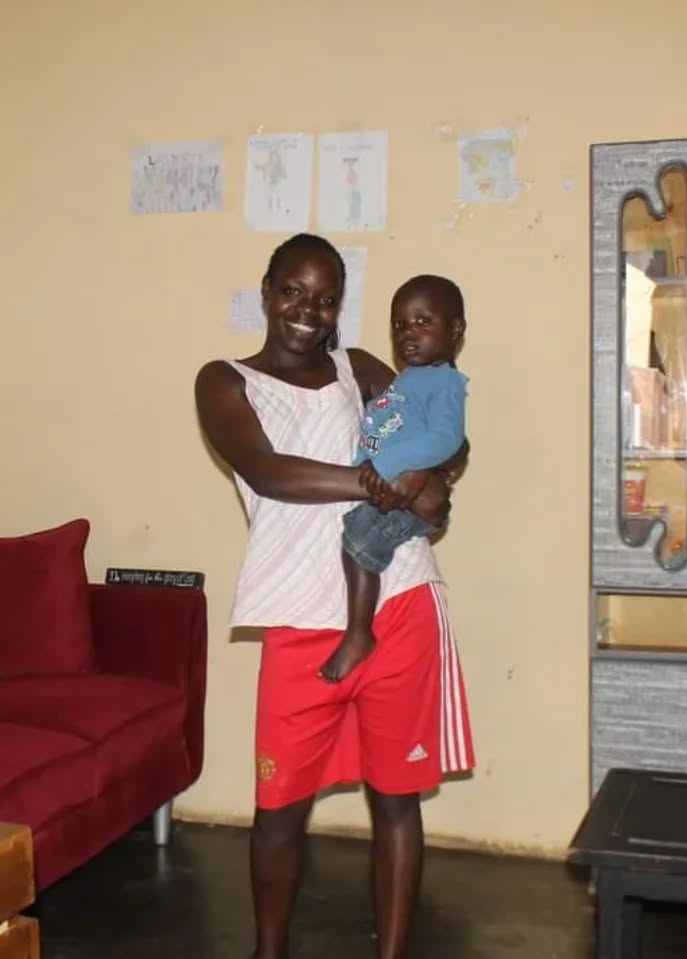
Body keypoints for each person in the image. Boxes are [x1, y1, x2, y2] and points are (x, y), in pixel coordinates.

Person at [194, 233, 475, 959]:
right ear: (267, 291)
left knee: (396, 800)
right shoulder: (225, 381)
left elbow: (447, 430)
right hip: (298, 616)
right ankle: (270, 951)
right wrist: (387, 485)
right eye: (292, 291)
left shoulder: (361, 368)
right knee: (277, 811)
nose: (306, 310)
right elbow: (268, 471)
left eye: (324, 299)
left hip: (399, 600)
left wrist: (430, 477)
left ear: (339, 307)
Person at [318, 275, 468, 684]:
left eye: (423, 322)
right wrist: (368, 460)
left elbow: (447, 439)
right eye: (399, 325)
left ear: (456, 329)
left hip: (407, 496)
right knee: (355, 538)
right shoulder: (409, 379)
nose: (408, 333)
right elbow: (392, 426)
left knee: (357, 544)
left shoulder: (445, 381)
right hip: (389, 483)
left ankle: (359, 633)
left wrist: (390, 467)